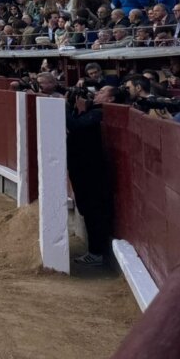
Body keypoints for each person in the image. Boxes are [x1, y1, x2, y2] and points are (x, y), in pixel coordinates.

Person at [67, 85, 115, 266]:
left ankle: (96, 253)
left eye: (102, 92)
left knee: (93, 211)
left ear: (110, 99)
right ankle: (94, 252)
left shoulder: (99, 113)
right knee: (89, 210)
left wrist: (63, 107)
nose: (96, 94)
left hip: (91, 172)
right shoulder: (94, 112)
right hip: (86, 170)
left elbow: (76, 125)